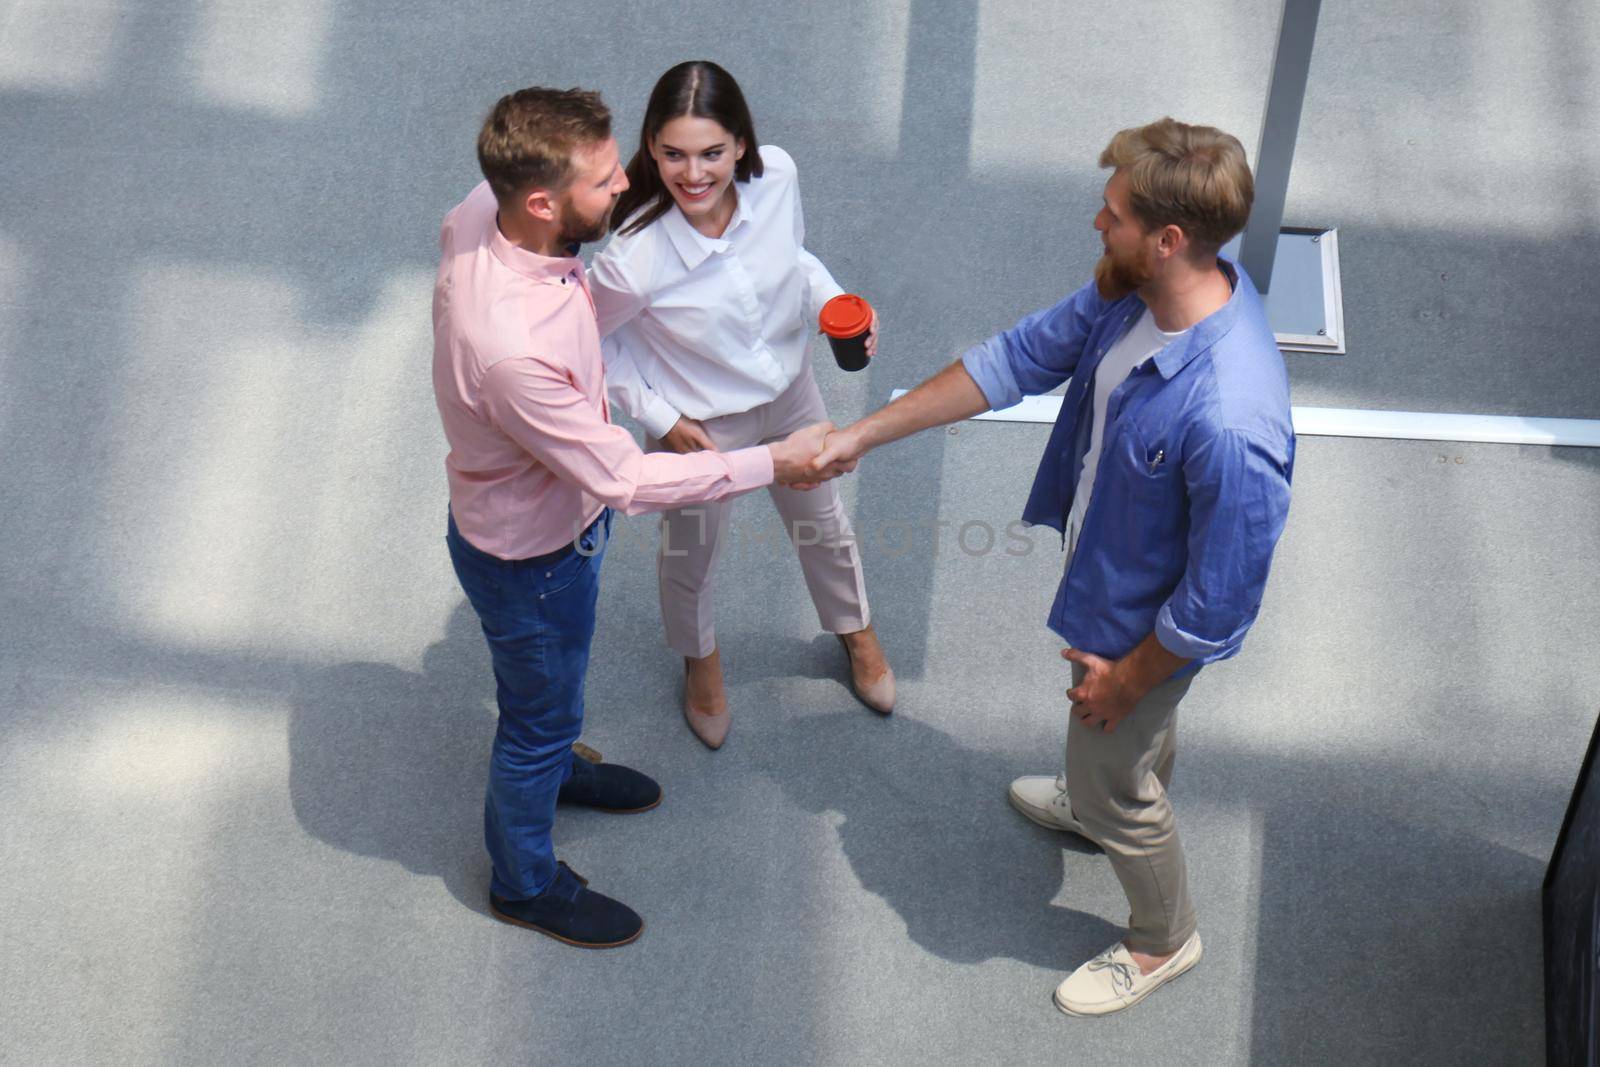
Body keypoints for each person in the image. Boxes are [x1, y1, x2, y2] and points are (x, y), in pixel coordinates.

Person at [813, 118, 1295, 1015]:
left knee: (1121, 773)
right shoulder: (1139, 294)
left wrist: (1126, 679)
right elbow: (1017, 357)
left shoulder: (1233, 419)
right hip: (1108, 579)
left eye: (1112, 214)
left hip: (1136, 633)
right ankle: (1102, 782)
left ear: (1169, 238)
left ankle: (1161, 933)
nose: (1095, 224)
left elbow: (1216, 606)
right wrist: (861, 436)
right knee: (1123, 746)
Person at [431, 86, 849, 949]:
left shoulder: (485, 209)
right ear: (543, 203)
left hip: (548, 530)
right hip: (533, 555)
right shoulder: (517, 350)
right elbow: (623, 476)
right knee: (534, 720)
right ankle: (526, 880)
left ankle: (556, 768)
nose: (627, 186)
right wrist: (772, 461)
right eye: (602, 180)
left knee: (552, 695)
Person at [586, 61, 893, 750]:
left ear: (743, 146)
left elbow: (796, 259)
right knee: (690, 556)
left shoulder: (778, 176)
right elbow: (590, 345)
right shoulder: (632, 255)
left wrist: (833, 303)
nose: (692, 174)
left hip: (791, 393)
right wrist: (662, 420)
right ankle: (701, 660)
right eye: (673, 154)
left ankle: (855, 631)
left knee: (824, 524)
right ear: (652, 148)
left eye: (711, 154)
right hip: (702, 429)